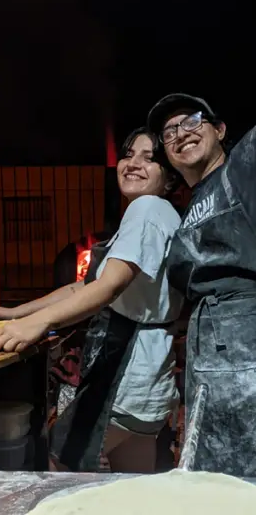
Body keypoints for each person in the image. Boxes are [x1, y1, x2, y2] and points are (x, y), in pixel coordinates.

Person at [0, 128, 183, 473]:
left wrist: (39, 324)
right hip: (149, 380)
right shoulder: (156, 214)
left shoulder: (147, 210)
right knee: (131, 485)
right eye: (129, 154)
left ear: (168, 179)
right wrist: (16, 312)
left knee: (59, 464)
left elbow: (109, 287)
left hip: (125, 375)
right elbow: (82, 287)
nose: (133, 164)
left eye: (149, 159)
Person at [144, 93, 256, 477]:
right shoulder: (188, 209)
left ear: (220, 130)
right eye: (169, 131)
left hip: (247, 343)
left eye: (192, 121)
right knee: (217, 475)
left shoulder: (241, 169)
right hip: (209, 354)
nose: (181, 133)